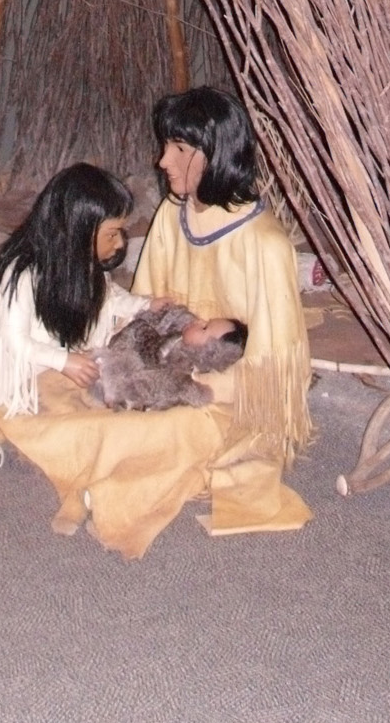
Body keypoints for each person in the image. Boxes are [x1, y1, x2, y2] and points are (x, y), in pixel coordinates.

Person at [132, 86, 313, 460]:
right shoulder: (172, 213)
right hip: (168, 364)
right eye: (167, 145)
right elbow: (144, 309)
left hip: (226, 393)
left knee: (161, 438)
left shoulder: (266, 244)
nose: (163, 160)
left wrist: (195, 384)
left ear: (217, 155)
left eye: (179, 149)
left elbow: (272, 371)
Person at [0, 162, 151, 421]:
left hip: (51, 357)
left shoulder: (80, 260)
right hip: (16, 371)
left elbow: (109, 296)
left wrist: (145, 306)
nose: (119, 243)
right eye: (112, 234)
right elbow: (14, 342)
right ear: (78, 232)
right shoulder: (21, 274)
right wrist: (63, 361)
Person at [90, 302, 249, 411]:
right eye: (205, 321)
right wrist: (155, 306)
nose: (199, 321)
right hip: (129, 335)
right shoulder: (183, 328)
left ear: (207, 352)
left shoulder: (183, 368)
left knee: (125, 358)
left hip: (131, 360)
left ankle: (110, 384)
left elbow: (163, 385)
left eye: (205, 327)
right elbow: (167, 316)